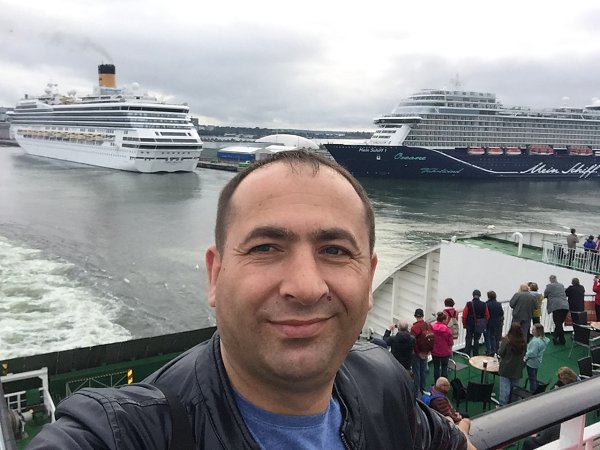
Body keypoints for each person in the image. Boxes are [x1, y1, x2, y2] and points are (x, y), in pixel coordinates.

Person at [27, 151, 470, 449]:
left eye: (335, 250)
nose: (305, 286)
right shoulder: (131, 431)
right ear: (215, 275)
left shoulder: (385, 383)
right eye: (266, 247)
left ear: (369, 278)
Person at [521, 367, 579, 449]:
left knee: (528, 441)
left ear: (567, 378)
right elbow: (553, 389)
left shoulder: (574, 386)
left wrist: (536, 436)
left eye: (562, 378)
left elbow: (541, 440)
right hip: (557, 438)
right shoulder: (562, 382)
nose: (560, 380)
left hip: (551, 444)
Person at [498, 323, 526, 406]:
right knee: (515, 389)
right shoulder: (523, 342)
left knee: (504, 388)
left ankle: (503, 405)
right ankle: (513, 404)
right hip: (517, 368)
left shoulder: (506, 340)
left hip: (506, 368)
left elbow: (500, 352)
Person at [411, 308, 434, 396]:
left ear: (415, 316)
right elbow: (432, 339)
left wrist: (418, 353)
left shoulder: (414, 328)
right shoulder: (429, 325)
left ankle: (416, 392)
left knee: (416, 372)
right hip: (426, 352)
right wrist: (429, 351)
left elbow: (413, 342)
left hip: (417, 353)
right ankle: (423, 389)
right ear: (423, 316)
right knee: (423, 371)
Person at [462, 289, 490, 356]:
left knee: (468, 338)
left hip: (469, 324)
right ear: (480, 296)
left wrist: (464, 324)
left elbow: (464, 315)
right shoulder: (484, 304)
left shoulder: (469, 304)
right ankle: (475, 354)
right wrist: (484, 323)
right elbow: (487, 315)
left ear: (473, 295)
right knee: (476, 339)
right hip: (480, 324)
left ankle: (467, 353)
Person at [544, 275, 569, 345]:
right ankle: (556, 337)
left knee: (557, 323)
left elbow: (545, 294)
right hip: (565, 306)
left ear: (550, 280)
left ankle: (562, 339)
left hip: (556, 306)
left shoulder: (549, 286)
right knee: (559, 323)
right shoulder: (561, 285)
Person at [524, 323, 550, 392]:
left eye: (533, 330)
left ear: (538, 331)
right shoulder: (543, 339)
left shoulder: (535, 342)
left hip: (531, 362)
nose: (532, 331)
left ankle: (533, 391)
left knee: (532, 378)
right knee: (534, 376)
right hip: (537, 361)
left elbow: (532, 353)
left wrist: (525, 357)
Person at [431, 312, 454, 381]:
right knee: (444, 368)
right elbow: (450, 342)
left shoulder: (432, 328)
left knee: (436, 368)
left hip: (435, 351)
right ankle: (444, 384)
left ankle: (437, 383)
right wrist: (450, 351)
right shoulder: (447, 330)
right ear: (443, 320)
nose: (447, 321)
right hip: (445, 352)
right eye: (446, 319)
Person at [484, 290, 504, 356]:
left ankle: (488, 350)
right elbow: (501, 313)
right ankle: (494, 350)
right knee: (493, 337)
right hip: (496, 323)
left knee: (487, 337)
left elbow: (485, 314)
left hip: (488, 323)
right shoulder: (498, 304)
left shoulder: (486, 304)